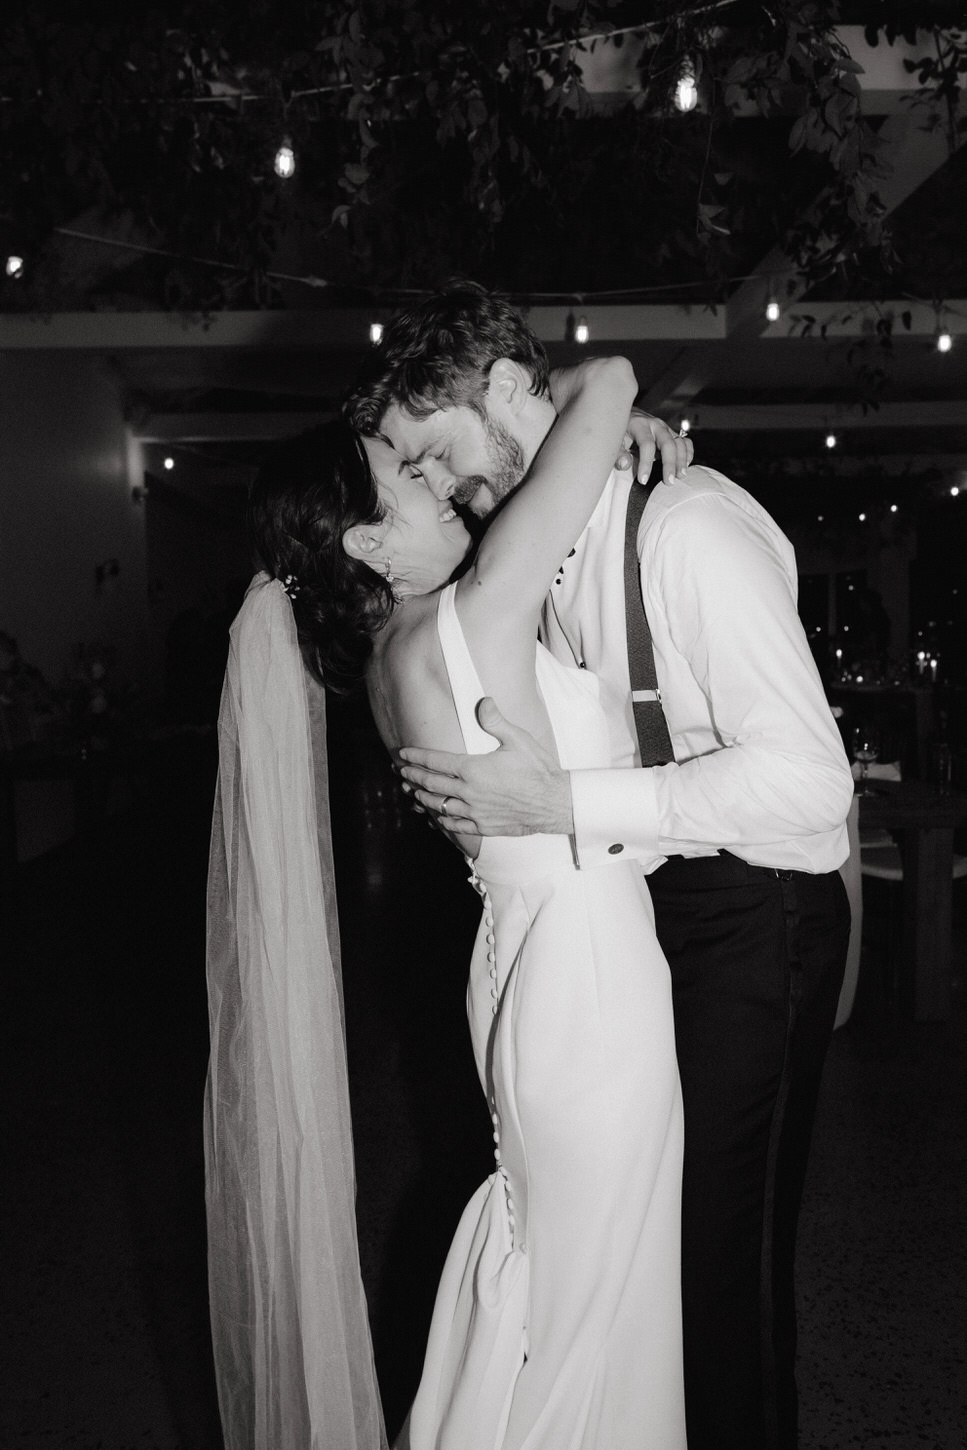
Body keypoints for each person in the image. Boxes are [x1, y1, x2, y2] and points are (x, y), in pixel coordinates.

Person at [350, 282, 855, 1450]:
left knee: (729, 1267)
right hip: (651, 911)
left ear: (519, 394)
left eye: (439, 456)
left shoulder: (687, 528)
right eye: (416, 478)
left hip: (755, 911)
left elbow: (808, 788)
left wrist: (562, 802)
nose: (440, 490)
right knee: (663, 1265)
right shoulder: (542, 550)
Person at [207, 357, 691, 1450]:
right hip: (584, 986)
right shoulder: (467, 620)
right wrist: (588, 401)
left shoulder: (391, 662)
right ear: (367, 544)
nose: (438, 483)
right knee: (591, 1314)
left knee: (561, 1284)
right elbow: (608, 379)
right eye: (409, 476)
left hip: (528, 967)